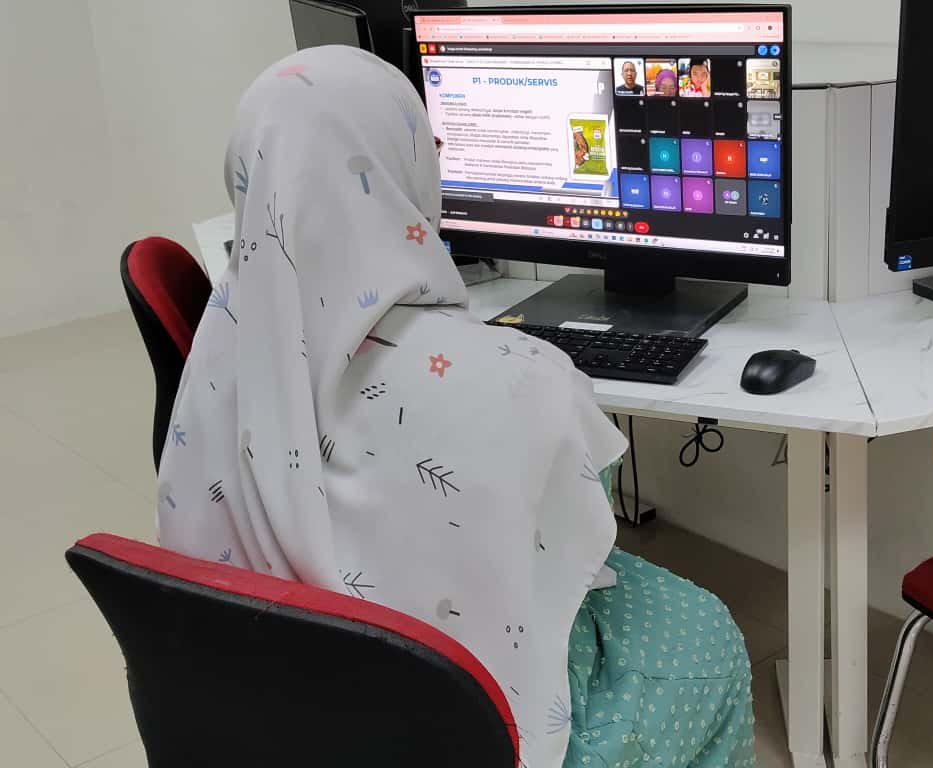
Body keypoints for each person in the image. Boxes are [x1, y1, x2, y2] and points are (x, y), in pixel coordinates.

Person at [157, 46, 756, 768]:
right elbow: (573, 551)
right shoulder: (528, 383)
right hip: (457, 728)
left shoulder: (213, 364)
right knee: (708, 632)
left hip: (272, 707)